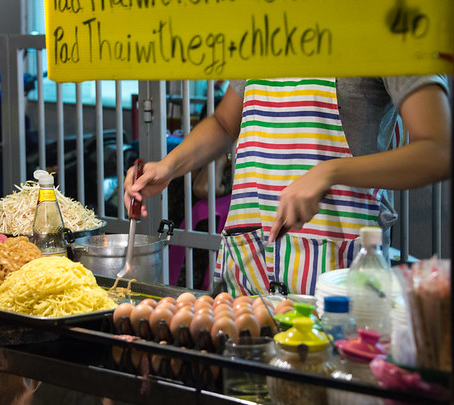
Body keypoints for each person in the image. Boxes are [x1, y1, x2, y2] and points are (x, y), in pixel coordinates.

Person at [124, 76, 451, 296]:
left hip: (338, 275)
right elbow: (225, 122)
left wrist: (329, 172)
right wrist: (169, 166)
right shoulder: (268, 23)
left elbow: (439, 150)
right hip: (251, 261)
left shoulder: (382, 21)